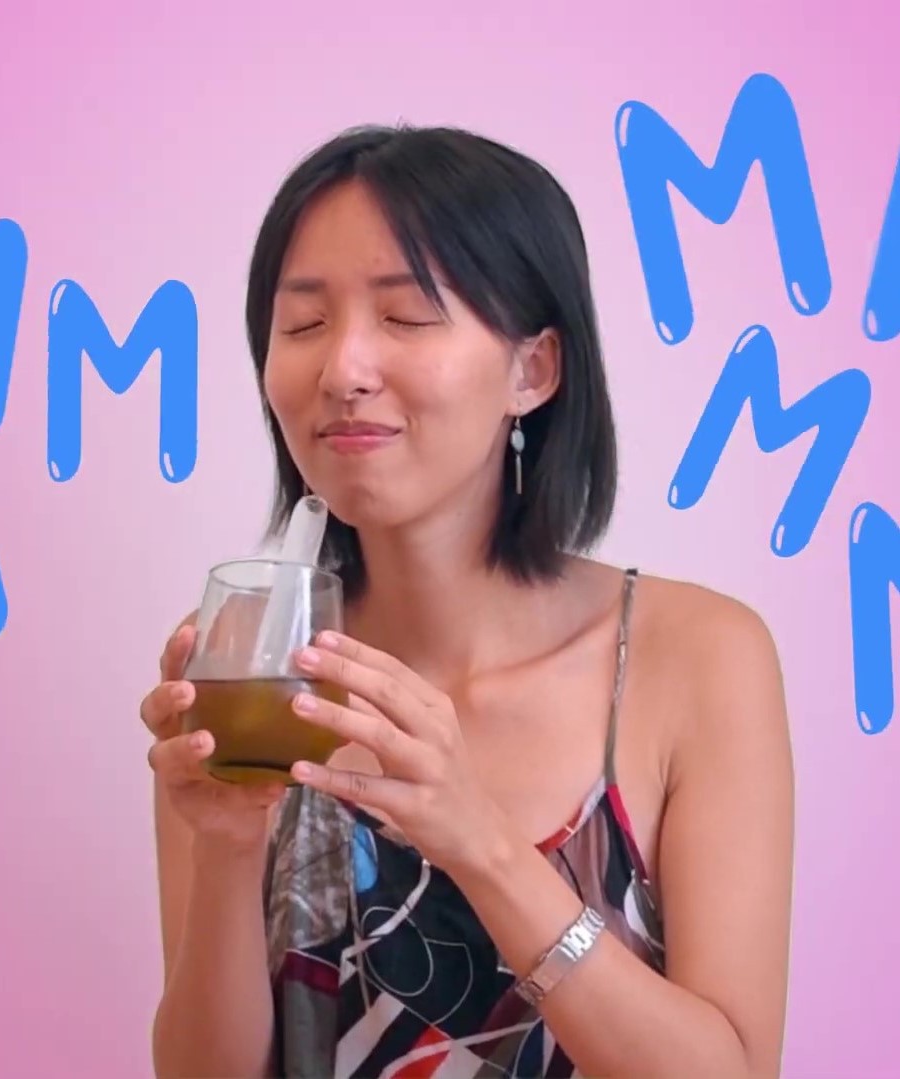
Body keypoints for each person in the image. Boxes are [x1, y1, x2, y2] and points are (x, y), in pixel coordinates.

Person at [140, 125, 794, 1079]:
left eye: (406, 317)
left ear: (534, 370)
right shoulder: (244, 669)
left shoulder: (700, 656)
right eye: (304, 324)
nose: (343, 370)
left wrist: (479, 842)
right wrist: (230, 846)